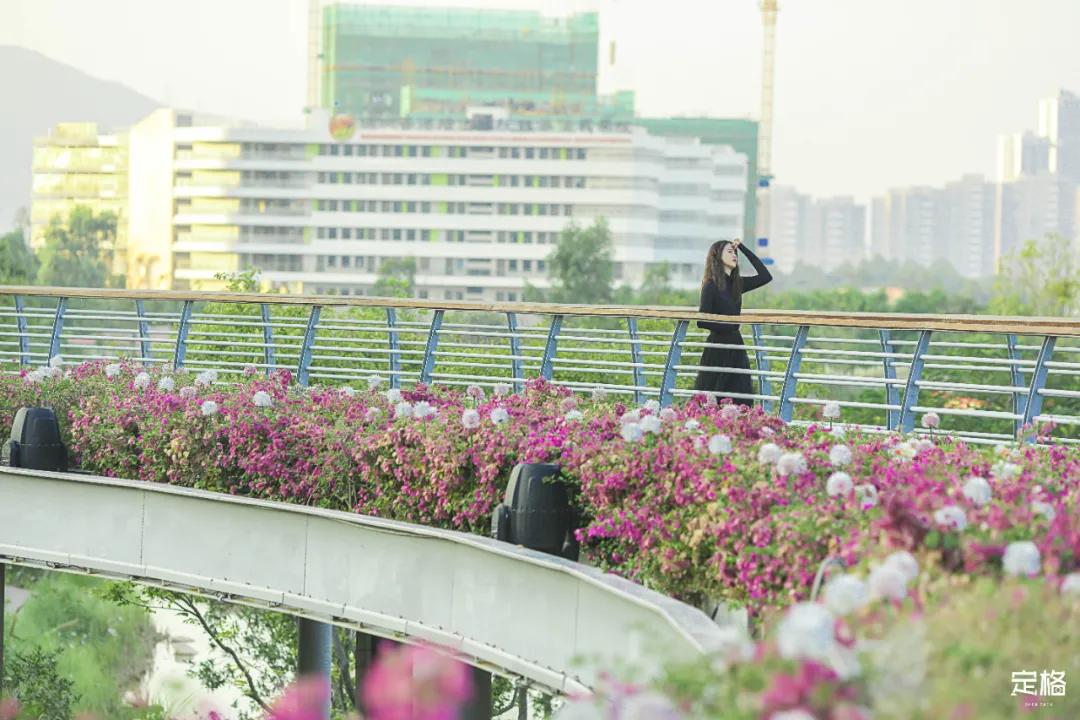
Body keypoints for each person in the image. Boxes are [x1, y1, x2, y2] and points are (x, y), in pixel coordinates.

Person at [694, 238, 773, 406]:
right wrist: (729, 324)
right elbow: (702, 320)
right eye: (729, 252)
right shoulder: (710, 285)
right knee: (713, 397)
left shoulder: (738, 284)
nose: (734, 255)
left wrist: (742, 247)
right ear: (717, 256)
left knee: (741, 395)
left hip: (736, 345)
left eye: (735, 252)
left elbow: (765, 276)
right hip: (718, 346)